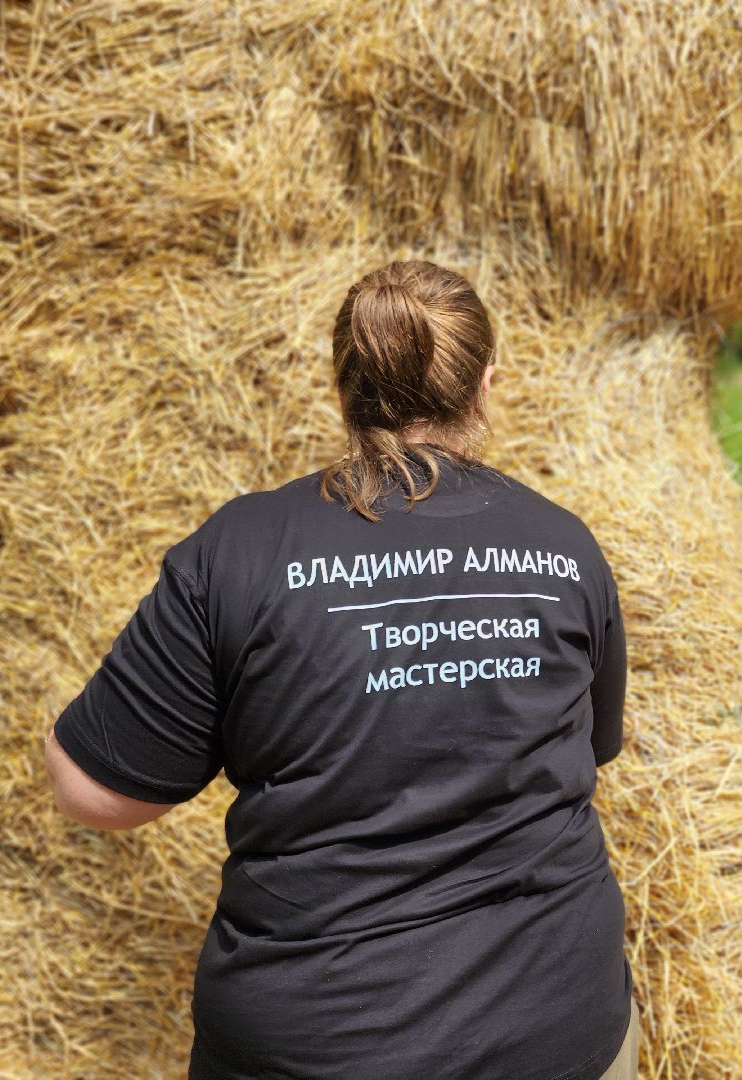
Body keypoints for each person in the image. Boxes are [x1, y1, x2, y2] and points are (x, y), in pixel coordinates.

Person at [42, 258, 638, 1080]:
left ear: (344, 385)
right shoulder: (564, 546)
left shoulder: (239, 553)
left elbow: (94, 790)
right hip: (559, 1028)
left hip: (322, 1044)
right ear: (485, 387)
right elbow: (592, 749)